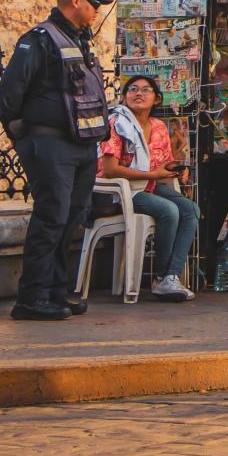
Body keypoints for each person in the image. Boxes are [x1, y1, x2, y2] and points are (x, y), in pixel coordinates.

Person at [0, 0, 115, 321]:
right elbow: (11, 92)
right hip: (49, 142)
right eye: (94, 4)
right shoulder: (39, 39)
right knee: (51, 217)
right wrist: (22, 135)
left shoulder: (80, 41)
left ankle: (57, 291)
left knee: (71, 219)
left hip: (80, 143)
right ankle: (32, 297)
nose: (97, 11)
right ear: (75, 1)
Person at [96, 75, 201, 301]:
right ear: (124, 98)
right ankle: (162, 276)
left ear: (156, 98)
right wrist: (152, 174)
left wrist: (178, 169)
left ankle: (170, 276)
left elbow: (163, 163)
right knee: (168, 210)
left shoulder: (159, 127)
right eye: (133, 89)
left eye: (146, 90)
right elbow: (110, 169)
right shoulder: (116, 124)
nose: (139, 94)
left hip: (148, 186)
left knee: (190, 210)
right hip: (120, 190)